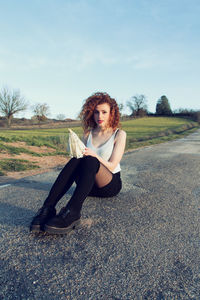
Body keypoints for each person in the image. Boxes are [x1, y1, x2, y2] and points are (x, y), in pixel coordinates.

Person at [30, 92, 126, 234]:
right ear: (91, 114)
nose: (100, 116)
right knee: (78, 158)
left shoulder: (119, 134)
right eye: (96, 112)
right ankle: (47, 208)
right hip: (87, 186)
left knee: (90, 159)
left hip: (109, 184)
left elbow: (112, 165)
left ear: (112, 113)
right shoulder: (88, 133)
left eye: (104, 112)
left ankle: (72, 212)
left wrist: (94, 155)